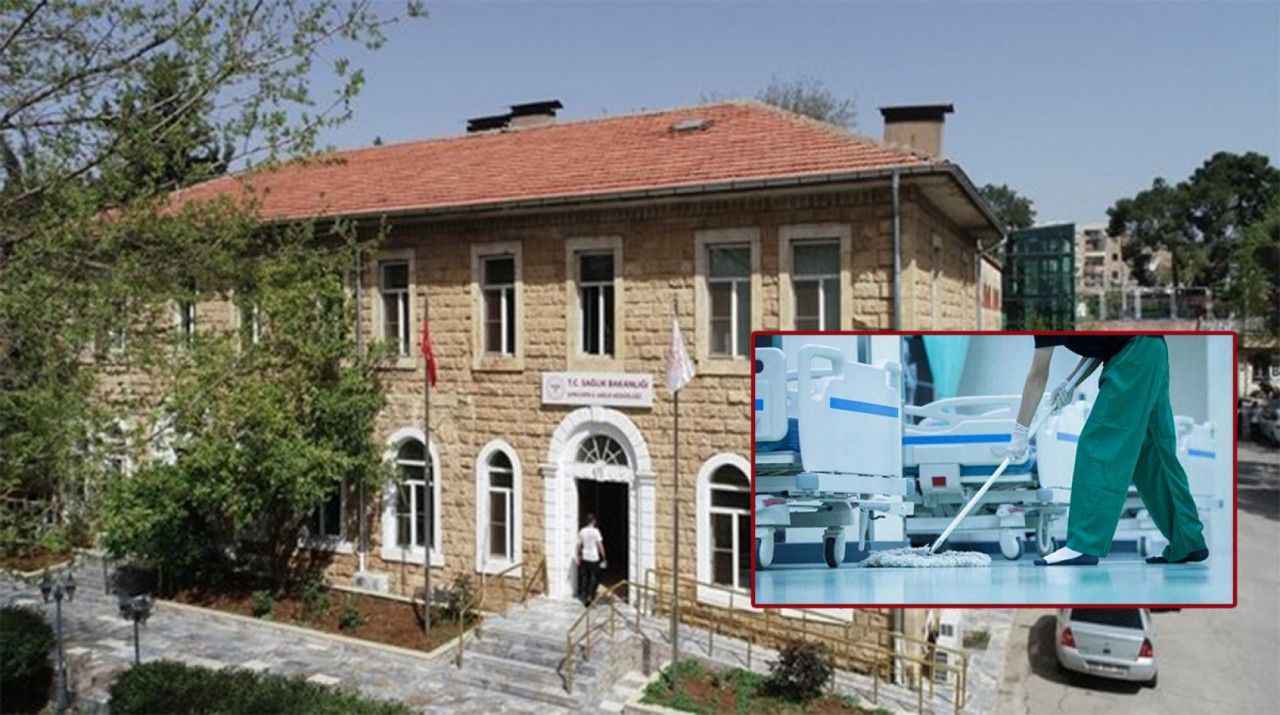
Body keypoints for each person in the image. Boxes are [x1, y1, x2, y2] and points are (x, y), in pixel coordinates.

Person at [1001, 335, 1209, 566]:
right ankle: (1187, 540)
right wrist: (1070, 383)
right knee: (1153, 453)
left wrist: (1020, 431)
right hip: (1151, 350)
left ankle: (1083, 544)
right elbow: (1100, 346)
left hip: (1134, 355)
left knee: (1099, 444)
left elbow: (1037, 376)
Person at [576, 513, 606, 604]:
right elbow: (600, 545)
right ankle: (590, 596)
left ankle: (584, 596)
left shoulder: (582, 531)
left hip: (585, 556)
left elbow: (578, 545)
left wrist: (578, 556)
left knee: (585, 577)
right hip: (594, 557)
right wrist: (604, 557)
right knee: (594, 577)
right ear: (593, 521)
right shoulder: (596, 531)